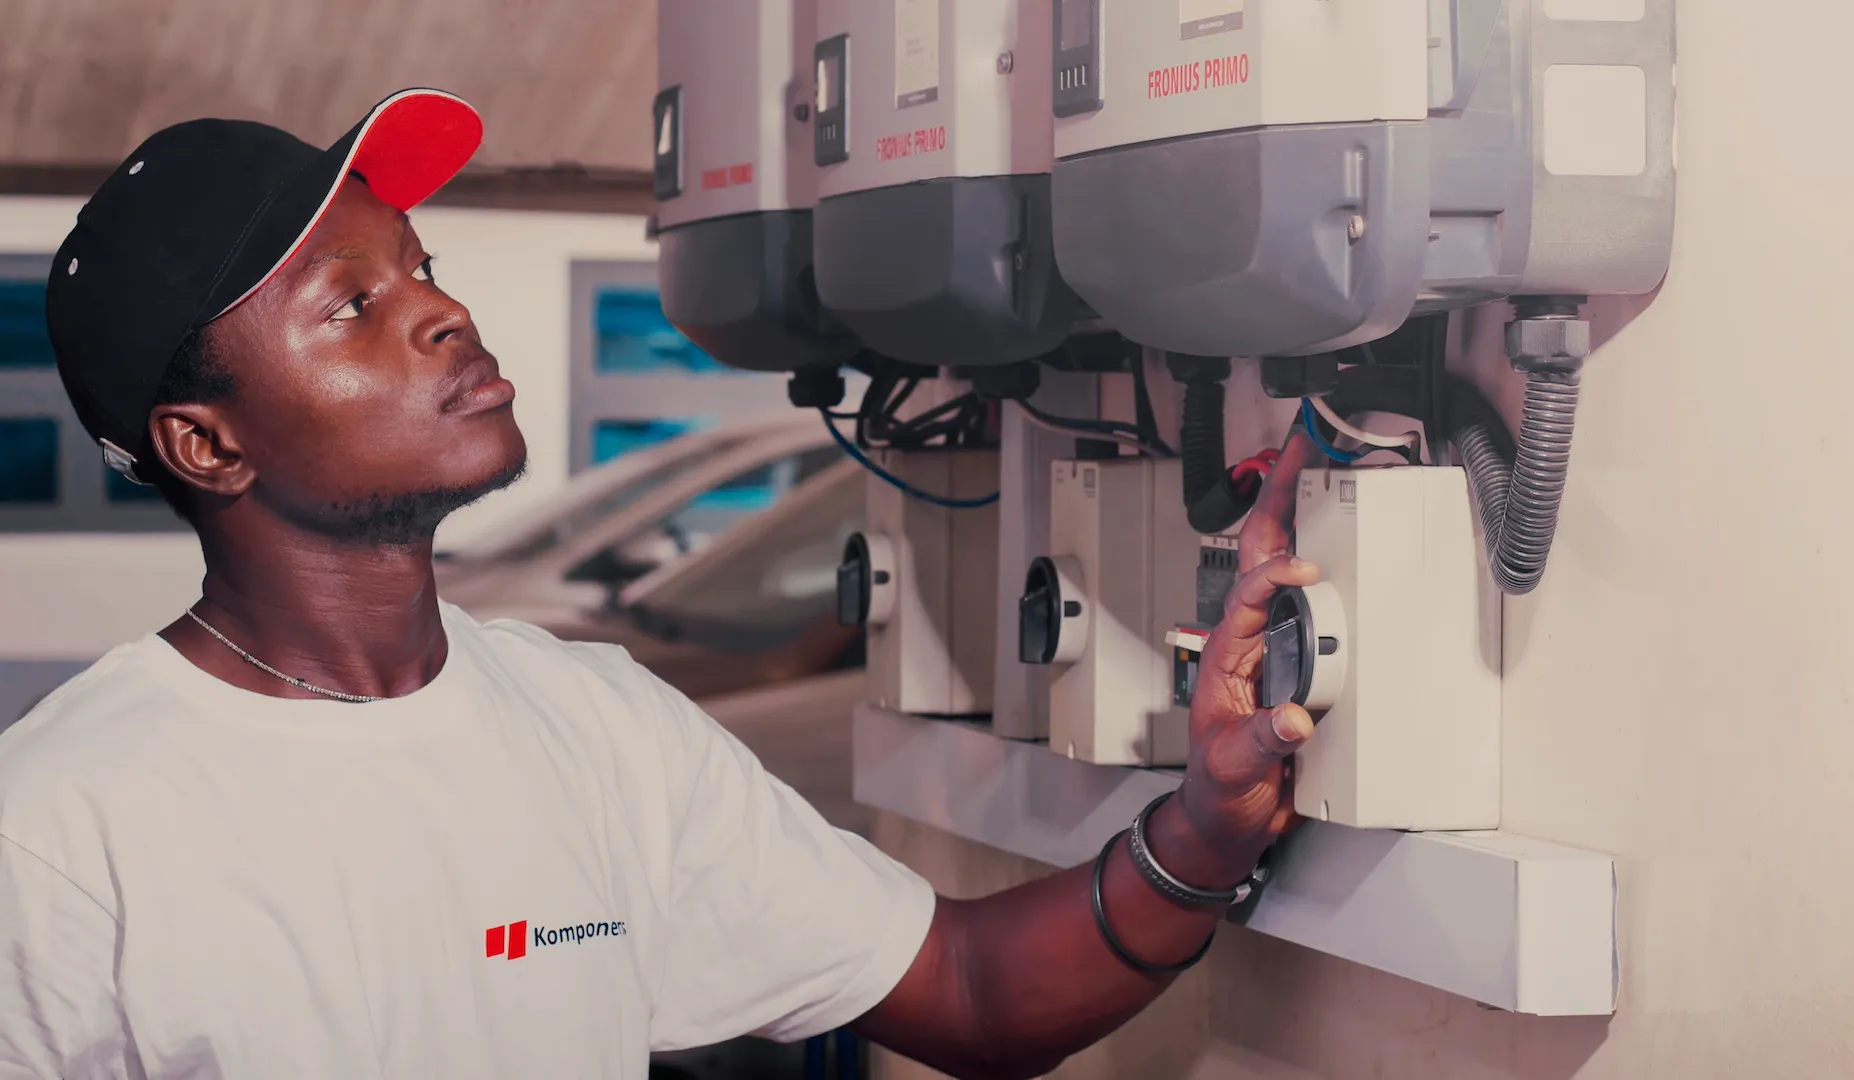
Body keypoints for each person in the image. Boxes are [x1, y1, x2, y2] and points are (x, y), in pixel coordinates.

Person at [0, 89, 1322, 1079]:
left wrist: (1207, 827)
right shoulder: (64, 828)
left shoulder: (596, 723)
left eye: (422, 267)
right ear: (204, 442)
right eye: (350, 306)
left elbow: (968, 990)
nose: (437, 313)